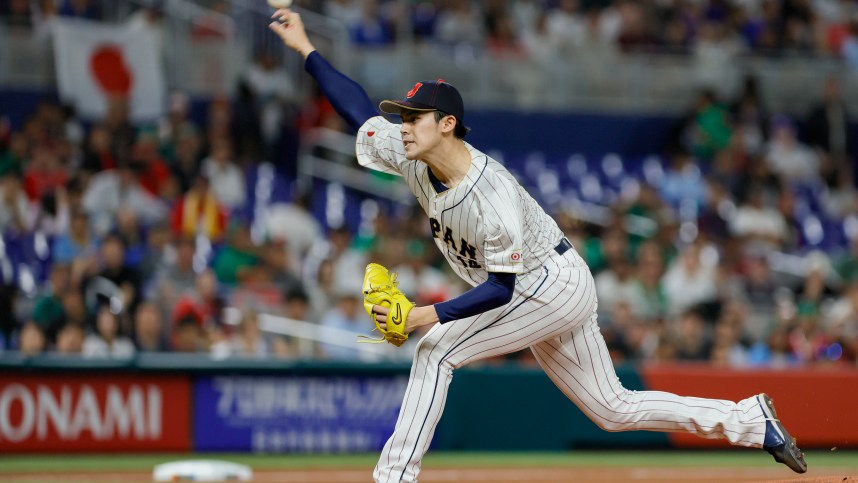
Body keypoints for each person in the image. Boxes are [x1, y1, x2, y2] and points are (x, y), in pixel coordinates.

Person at [269, 9, 807, 482]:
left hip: (546, 285)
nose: (404, 127)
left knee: (436, 351)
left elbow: (500, 291)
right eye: (404, 117)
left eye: (415, 118)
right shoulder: (411, 152)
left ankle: (393, 479)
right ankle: (749, 421)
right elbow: (357, 110)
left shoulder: (491, 195)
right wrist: (307, 50)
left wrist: (423, 317)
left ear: (448, 124)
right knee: (613, 409)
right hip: (537, 285)